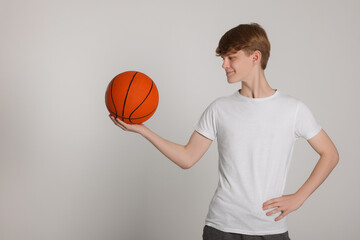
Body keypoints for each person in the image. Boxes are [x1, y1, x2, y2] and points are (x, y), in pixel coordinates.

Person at [109, 23, 339, 240]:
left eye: (231, 58)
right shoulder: (219, 109)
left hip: (270, 228)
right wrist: (143, 130)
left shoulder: (293, 109)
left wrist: (299, 197)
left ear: (255, 57)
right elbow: (187, 158)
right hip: (221, 228)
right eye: (223, 58)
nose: (224, 65)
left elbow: (330, 154)